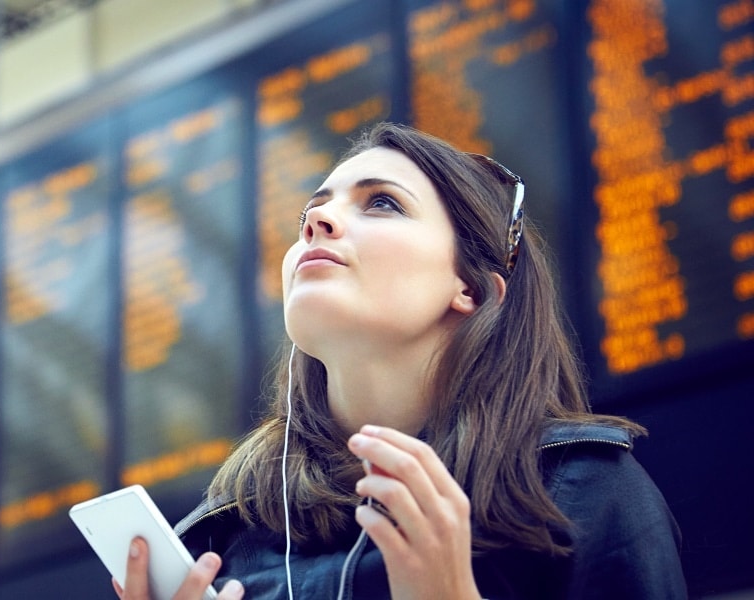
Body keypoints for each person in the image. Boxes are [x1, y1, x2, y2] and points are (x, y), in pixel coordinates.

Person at [113, 122, 687, 599]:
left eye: (382, 203)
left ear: (471, 288)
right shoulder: (221, 542)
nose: (317, 222)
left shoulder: (581, 492)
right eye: (310, 214)